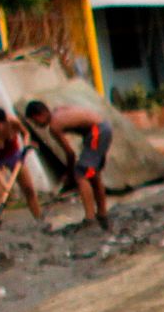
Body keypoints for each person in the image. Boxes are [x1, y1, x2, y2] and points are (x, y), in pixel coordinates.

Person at [24, 98, 113, 233]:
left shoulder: (54, 126)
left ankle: (90, 219)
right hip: (103, 128)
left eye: (35, 121)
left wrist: (69, 173)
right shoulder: (59, 110)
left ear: (39, 115)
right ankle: (102, 215)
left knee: (81, 174)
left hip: (97, 132)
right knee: (93, 174)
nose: (36, 125)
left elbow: (70, 153)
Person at [0, 106, 43, 230]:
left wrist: (26, 144)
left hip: (13, 154)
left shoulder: (12, 122)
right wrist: (5, 185)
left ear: (4, 122)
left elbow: (26, 133)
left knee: (29, 189)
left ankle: (40, 220)